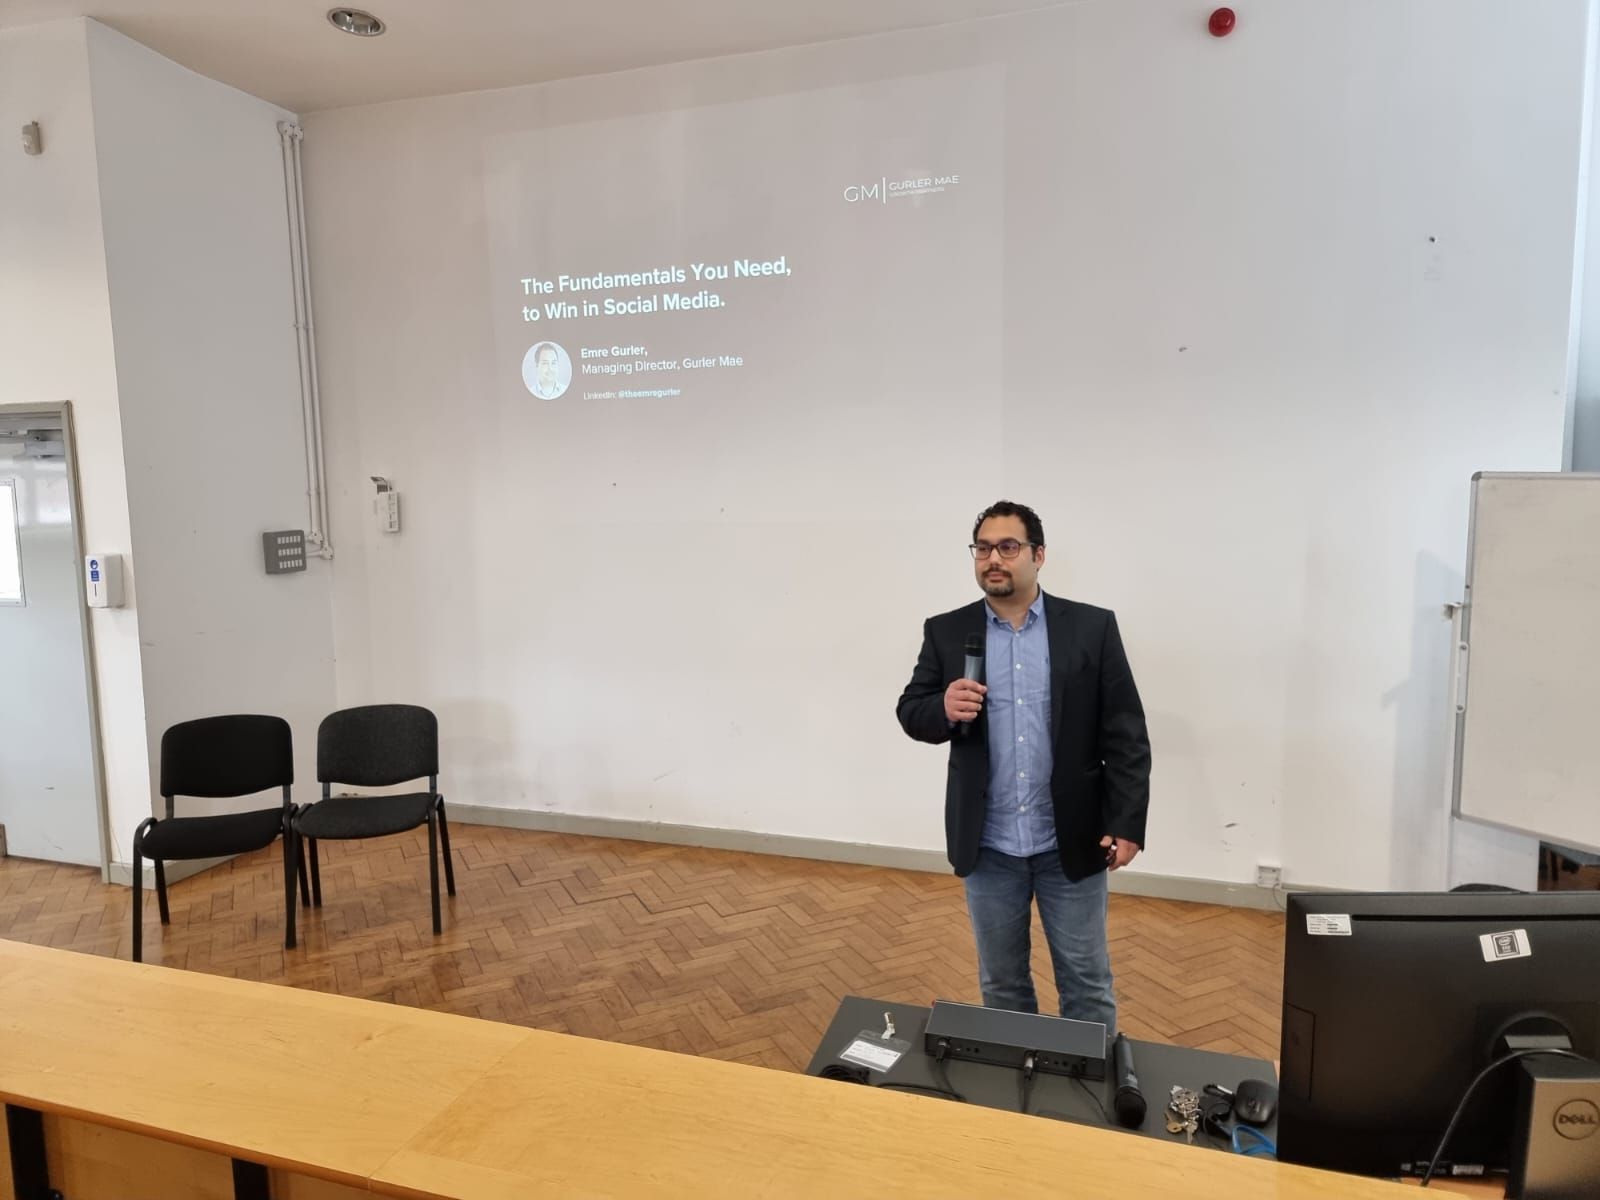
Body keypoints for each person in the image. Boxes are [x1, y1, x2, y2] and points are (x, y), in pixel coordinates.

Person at [896, 500, 1151, 1032]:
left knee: (1086, 982)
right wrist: (941, 707)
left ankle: (1088, 1104)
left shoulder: (1090, 628)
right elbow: (911, 711)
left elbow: (1125, 732)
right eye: (984, 548)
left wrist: (1126, 823)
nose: (994, 559)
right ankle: (1017, 1104)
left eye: (1008, 547)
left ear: (1038, 555)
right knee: (1002, 985)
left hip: (1072, 841)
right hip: (988, 844)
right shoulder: (946, 631)